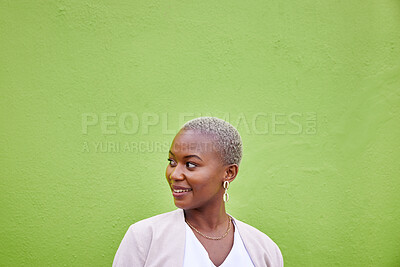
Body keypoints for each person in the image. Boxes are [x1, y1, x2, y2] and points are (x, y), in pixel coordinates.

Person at [112, 117, 283, 267]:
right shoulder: (145, 237)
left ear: (229, 173)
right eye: (172, 161)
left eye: (191, 164)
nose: (175, 174)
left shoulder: (263, 249)